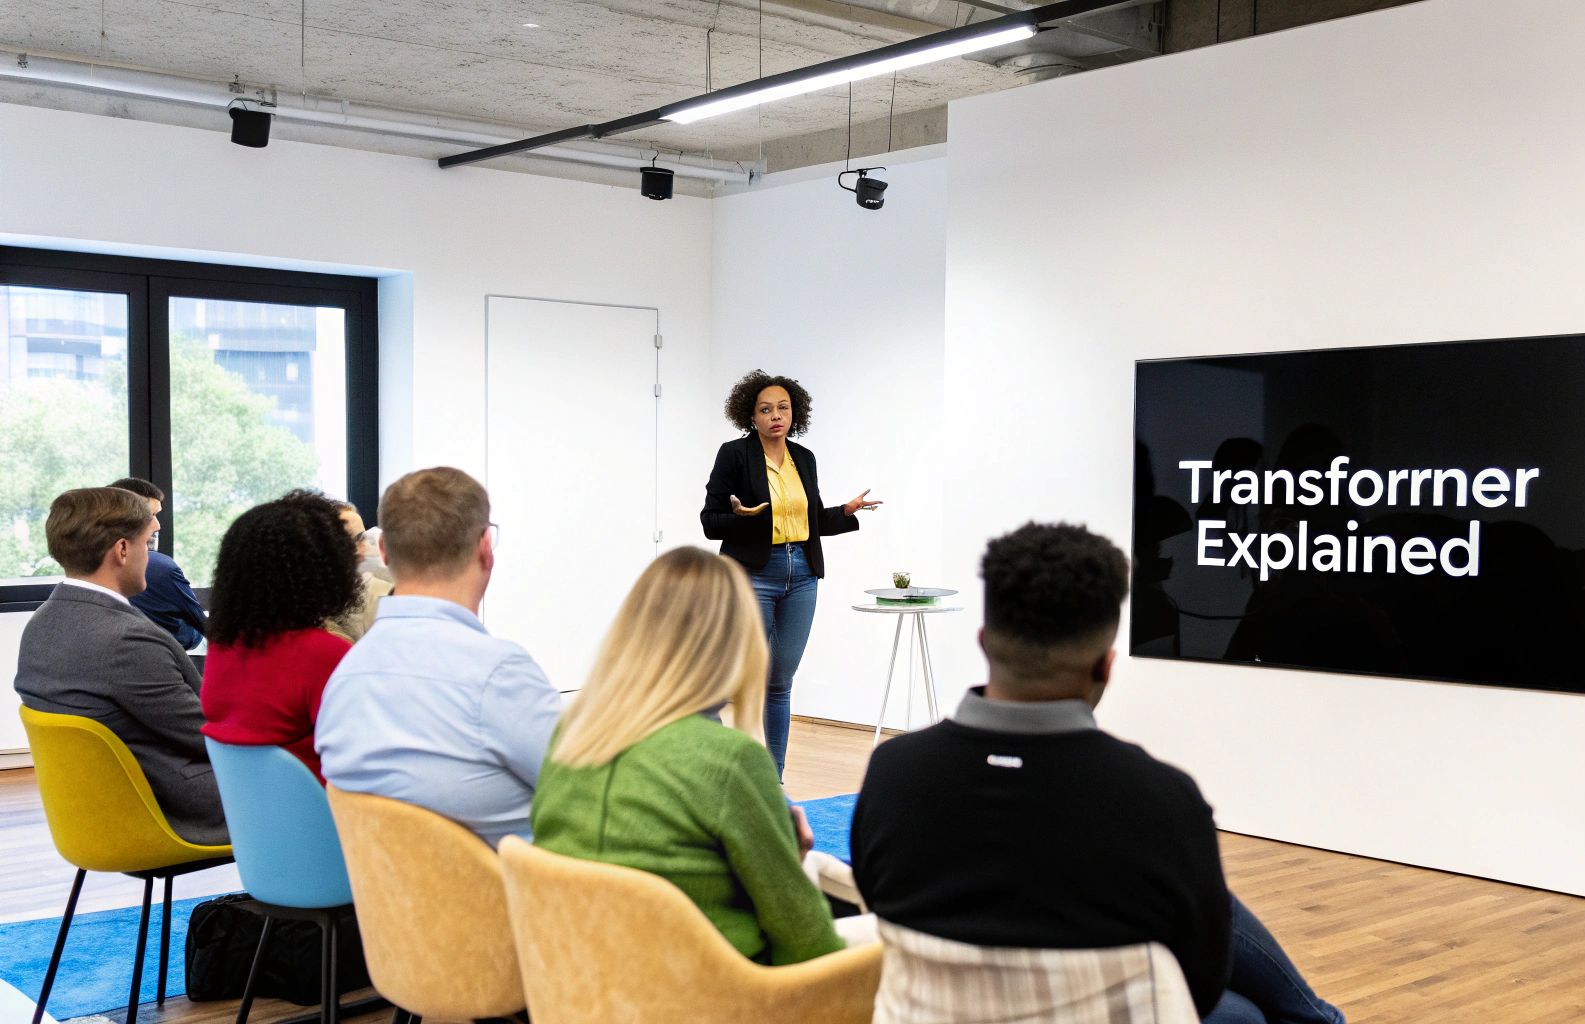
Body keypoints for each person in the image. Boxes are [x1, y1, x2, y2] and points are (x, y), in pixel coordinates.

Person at [850, 523, 1345, 1024]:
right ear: (1106, 666)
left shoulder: (894, 773)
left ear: (983, 642)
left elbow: (878, 903)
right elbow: (1199, 979)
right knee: (1245, 1014)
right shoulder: (1160, 799)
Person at [532, 546, 861, 964]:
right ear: (735, 642)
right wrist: (787, 859)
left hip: (572, 983)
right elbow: (807, 943)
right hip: (701, 993)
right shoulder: (729, 761)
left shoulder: (571, 736)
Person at [315, 467, 561, 847]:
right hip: (508, 899)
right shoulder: (498, 674)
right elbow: (589, 789)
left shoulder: (343, 679)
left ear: (383, 552)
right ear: (485, 548)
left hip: (387, 902)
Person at [12, 487, 226, 844]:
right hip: (170, 809)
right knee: (320, 777)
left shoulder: (42, 623)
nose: (153, 557)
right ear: (123, 550)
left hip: (90, 812)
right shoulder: (128, 641)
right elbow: (210, 736)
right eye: (149, 543)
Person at [700, 370, 881, 776]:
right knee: (750, 674)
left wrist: (846, 512)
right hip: (752, 573)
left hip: (801, 572)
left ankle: (772, 779)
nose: (775, 416)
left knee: (780, 679)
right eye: (765, 410)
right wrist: (742, 518)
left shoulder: (804, 458)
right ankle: (729, 765)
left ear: (794, 413)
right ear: (751, 417)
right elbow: (710, 522)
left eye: (783, 408)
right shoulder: (735, 455)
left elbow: (811, 519)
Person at [200, 491, 361, 784]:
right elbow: (362, 755)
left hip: (251, 824)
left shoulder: (224, 646)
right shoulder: (324, 653)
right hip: (325, 821)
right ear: (325, 571)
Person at [108, 477, 207, 651]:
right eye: (150, 515)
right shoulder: (159, 566)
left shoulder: (88, 565)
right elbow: (204, 626)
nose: (157, 525)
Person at [324, 500, 392, 643]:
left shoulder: (382, 597)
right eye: (345, 541)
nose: (360, 550)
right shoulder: (302, 603)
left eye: (361, 537)